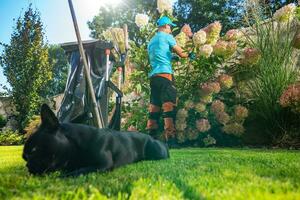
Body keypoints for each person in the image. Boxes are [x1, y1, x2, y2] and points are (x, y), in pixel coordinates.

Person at [146, 16, 193, 142]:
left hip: (154, 77)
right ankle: (170, 137)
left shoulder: (151, 41)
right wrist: (190, 54)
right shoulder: (167, 37)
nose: (171, 29)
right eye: (170, 26)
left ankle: (151, 136)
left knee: (155, 106)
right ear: (166, 26)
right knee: (169, 105)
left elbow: (157, 56)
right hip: (166, 75)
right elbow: (182, 53)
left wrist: (170, 57)